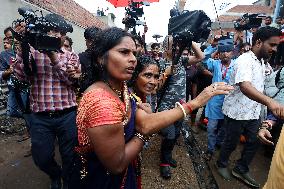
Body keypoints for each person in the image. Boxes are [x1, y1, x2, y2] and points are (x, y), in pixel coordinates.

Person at [68, 27, 233, 189]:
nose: (133, 58)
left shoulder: (119, 86)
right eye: (124, 52)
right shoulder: (100, 102)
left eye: (133, 53)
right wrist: (194, 103)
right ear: (100, 58)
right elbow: (117, 164)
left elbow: (143, 119)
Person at [13, 13, 79, 189]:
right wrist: (22, 45)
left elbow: (71, 81)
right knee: (41, 157)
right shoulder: (32, 52)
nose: (57, 35)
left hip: (67, 114)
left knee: (70, 155)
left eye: (61, 31)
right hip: (40, 116)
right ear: (45, 31)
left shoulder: (71, 56)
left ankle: (68, 182)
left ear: (65, 35)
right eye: (53, 30)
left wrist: (53, 57)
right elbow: (20, 76)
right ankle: (55, 174)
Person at [215, 26, 284, 188]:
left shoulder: (261, 62)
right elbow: (245, 86)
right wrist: (270, 102)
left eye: (276, 46)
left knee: (254, 141)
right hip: (236, 113)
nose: (274, 49)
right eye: (272, 45)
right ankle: (221, 164)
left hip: (253, 113)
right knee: (230, 143)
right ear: (259, 42)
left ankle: (241, 168)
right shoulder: (244, 60)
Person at [157, 36, 205, 179]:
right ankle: (164, 163)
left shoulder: (182, 61)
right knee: (170, 134)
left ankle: (168, 155)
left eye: (179, 45)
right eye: (174, 46)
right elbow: (155, 88)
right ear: (166, 47)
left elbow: (200, 56)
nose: (178, 48)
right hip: (165, 108)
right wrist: (166, 72)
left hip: (181, 107)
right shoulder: (159, 63)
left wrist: (190, 40)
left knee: (176, 133)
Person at [202, 36, 236, 161]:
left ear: (232, 52)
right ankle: (210, 149)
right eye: (222, 51)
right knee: (211, 128)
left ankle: (218, 142)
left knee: (224, 128)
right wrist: (214, 47)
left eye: (227, 51)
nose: (224, 54)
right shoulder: (215, 64)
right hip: (214, 103)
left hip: (230, 103)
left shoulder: (237, 64)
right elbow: (203, 58)